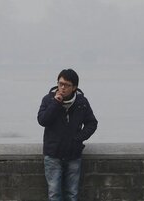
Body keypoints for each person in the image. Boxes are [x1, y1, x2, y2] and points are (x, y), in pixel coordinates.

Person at [37, 68, 98, 201]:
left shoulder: (82, 102)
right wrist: (55, 103)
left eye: (67, 85)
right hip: (53, 154)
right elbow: (42, 120)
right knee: (54, 194)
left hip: (73, 155)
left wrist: (78, 139)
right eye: (60, 84)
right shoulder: (48, 100)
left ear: (74, 87)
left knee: (72, 194)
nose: (62, 88)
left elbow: (92, 123)